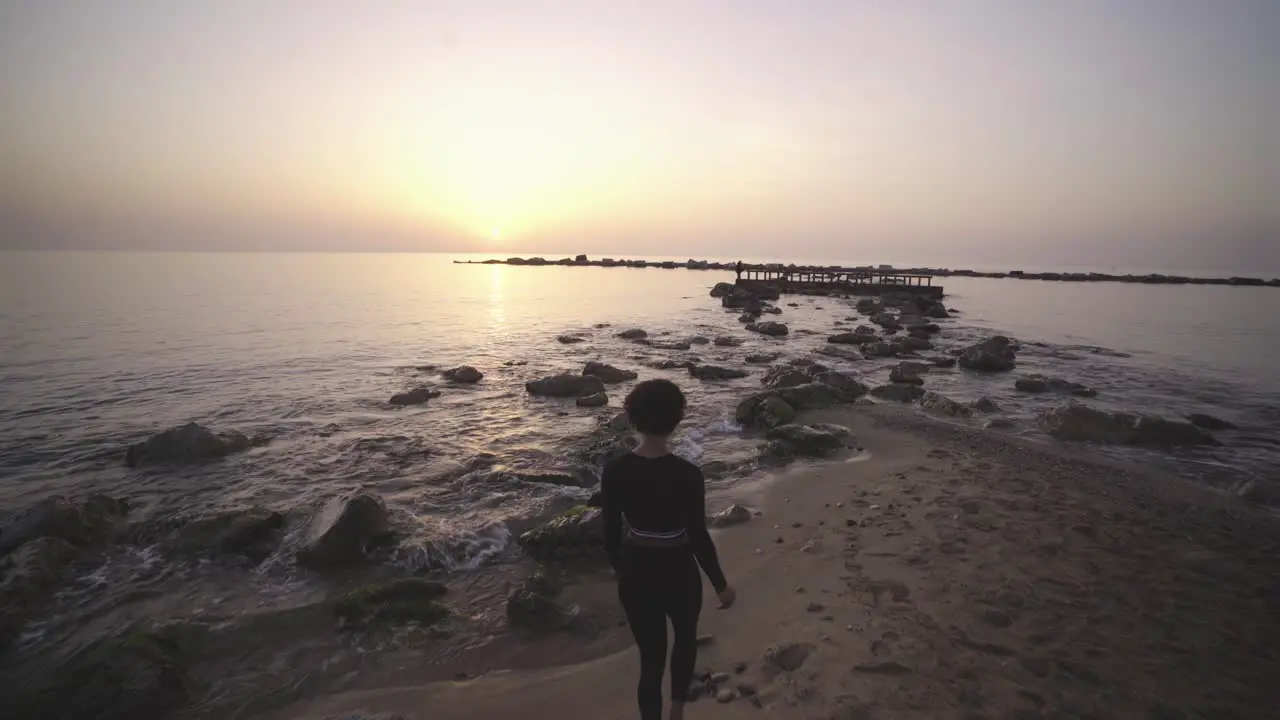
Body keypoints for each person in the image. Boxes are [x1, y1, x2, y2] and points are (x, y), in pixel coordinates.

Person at [602, 379, 735, 720]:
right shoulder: (688, 474)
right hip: (680, 571)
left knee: (650, 659)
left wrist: (621, 571)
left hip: (636, 572)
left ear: (633, 418)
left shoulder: (615, 471)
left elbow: (611, 533)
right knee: (685, 640)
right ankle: (677, 710)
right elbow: (698, 536)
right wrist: (720, 584)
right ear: (677, 420)